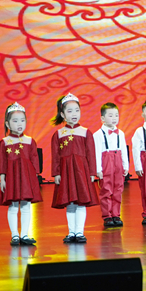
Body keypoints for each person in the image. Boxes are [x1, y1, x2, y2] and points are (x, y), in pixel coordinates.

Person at [50, 93, 99, 243]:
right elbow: (55, 155)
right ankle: (71, 232)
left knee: (81, 202)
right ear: (63, 114)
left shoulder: (85, 132)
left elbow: (91, 154)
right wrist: (56, 173)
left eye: (77, 110)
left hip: (81, 171)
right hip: (66, 172)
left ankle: (80, 232)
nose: (74, 114)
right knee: (70, 202)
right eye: (70, 111)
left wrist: (92, 172)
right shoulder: (58, 134)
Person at [0, 102, 42, 245]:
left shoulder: (30, 141)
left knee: (26, 206)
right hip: (12, 178)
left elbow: (34, 160)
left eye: (22, 120)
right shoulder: (5, 142)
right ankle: (15, 235)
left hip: (27, 179)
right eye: (15, 121)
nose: (19, 124)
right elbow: (3, 162)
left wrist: (35, 178)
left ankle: (24, 235)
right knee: (13, 206)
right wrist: (2, 178)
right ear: (8, 124)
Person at [95, 102, 130, 227]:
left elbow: (124, 150)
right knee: (106, 189)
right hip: (106, 161)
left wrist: (126, 165)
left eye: (116, 115)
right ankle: (107, 216)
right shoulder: (98, 134)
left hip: (118, 161)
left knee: (118, 189)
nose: (114, 118)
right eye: (110, 115)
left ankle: (116, 214)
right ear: (103, 118)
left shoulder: (120, 133)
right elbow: (97, 152)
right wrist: (98, 169)